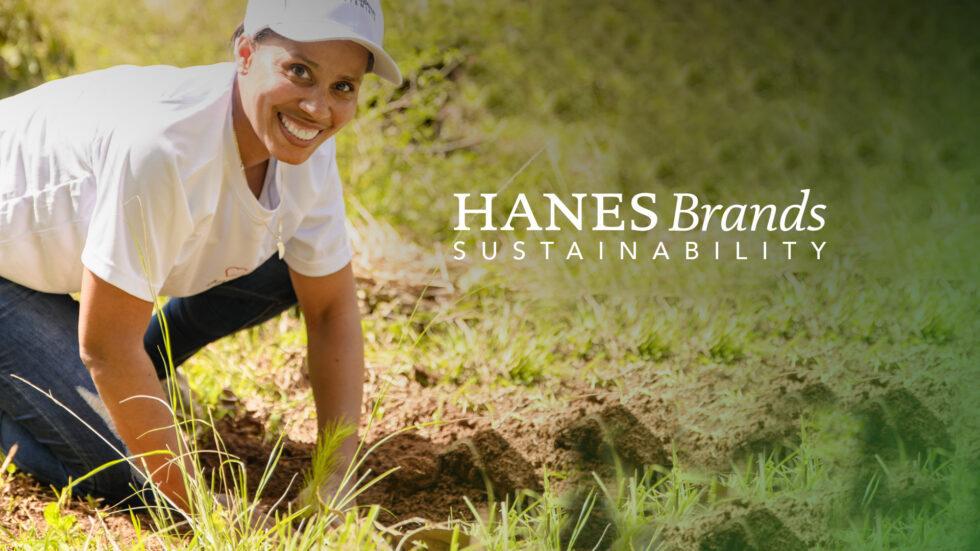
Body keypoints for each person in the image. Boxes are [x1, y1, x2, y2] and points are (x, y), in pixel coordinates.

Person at [0, 0, 401, 512]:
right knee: (120, 467)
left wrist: (335, 474)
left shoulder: (308, 149)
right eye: (299, 71)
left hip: (45, 255)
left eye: (343, 86)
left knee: (294, 272)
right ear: (245, 52)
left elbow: (331, 309)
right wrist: (207, 510)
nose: (318, 109)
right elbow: (106, 348)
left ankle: (141, 371)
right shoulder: (164, 148)